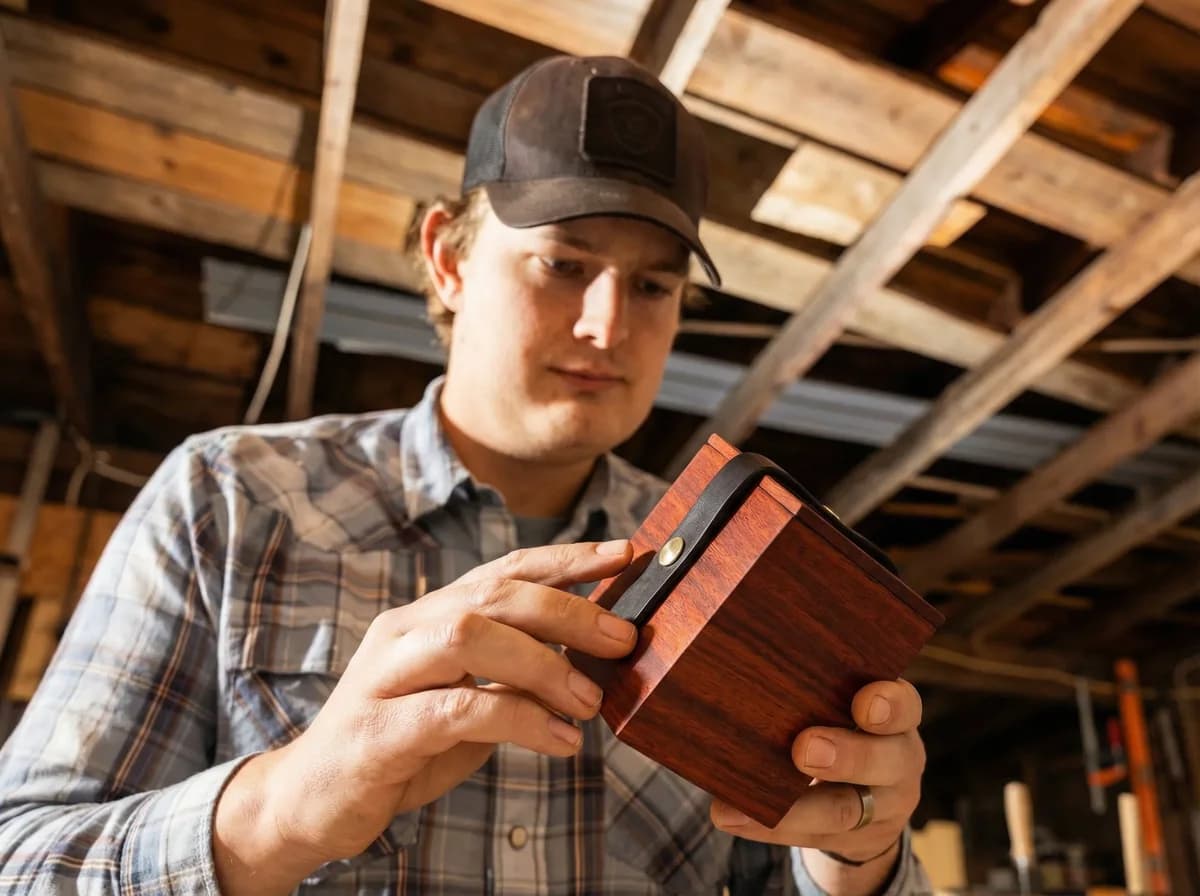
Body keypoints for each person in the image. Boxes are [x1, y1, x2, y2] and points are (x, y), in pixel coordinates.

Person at [0, 55, 930, 895]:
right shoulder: (230, 499)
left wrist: (860, 857)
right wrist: (282, 810)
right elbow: (19, 861)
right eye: (563, 263)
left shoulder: (737, 564)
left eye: (654, 286)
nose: (610, 326)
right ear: (447, 258)